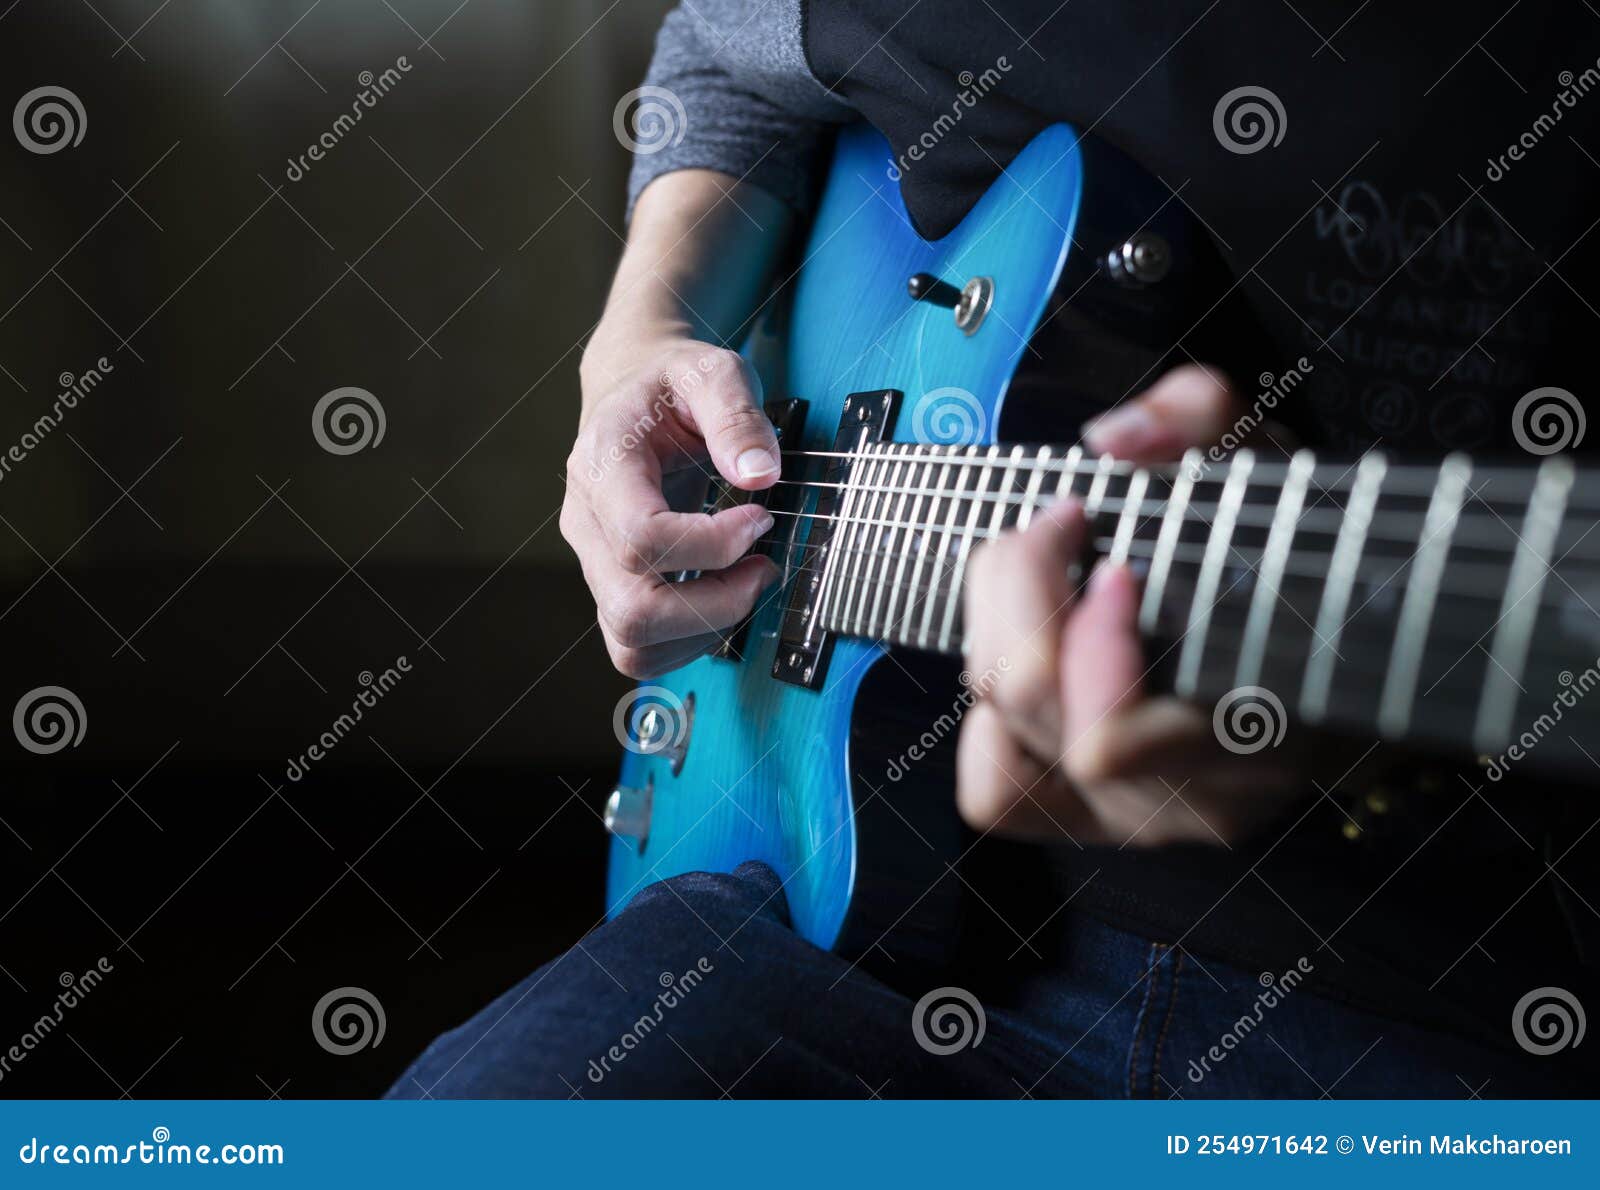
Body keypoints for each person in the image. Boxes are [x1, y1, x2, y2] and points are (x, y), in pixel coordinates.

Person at [390, 0, 1599, 1097]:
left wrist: (1346, 720)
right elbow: (725, 55)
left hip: (1454, 1002)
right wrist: (641, 333)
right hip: (831, 909)